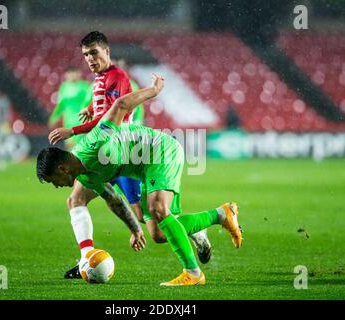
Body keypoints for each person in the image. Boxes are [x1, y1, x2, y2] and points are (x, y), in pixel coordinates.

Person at [38, 74, 243, 286]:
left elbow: (120, 105)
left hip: (160, 151)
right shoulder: (85, 176)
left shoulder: (95, 143)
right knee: (158, 233)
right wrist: (135, 229)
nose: (56, 185)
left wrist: (153, 91)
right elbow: (114, 200)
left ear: (62, 168)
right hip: (144, 168)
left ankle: (193, 273)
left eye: (54, 180)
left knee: (158, 209)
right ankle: (220, 215)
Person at [49, 32, 212, 279]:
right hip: (99, 159)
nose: (90, 59)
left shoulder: (119, 77)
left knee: (155, 229)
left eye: (94, 53)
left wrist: (72, 129)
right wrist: (90, 109)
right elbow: (103, 107)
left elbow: (114, 113)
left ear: (107, 51)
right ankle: (86, 259)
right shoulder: (100, 79)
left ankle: (197, 232)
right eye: (85, 55)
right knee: (75, 200)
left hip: (124, 155)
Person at [48, 66, 91, 150]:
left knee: (80, 147)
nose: (72, 76)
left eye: (74, 73)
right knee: (69, 147)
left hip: (81, 120)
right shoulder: (64, 87)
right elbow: (61, 105)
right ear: (66, 75)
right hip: (68, 121)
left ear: (79, 74)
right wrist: (54, 118)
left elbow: (90, 103)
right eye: (70, 73)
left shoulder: (84, 86)